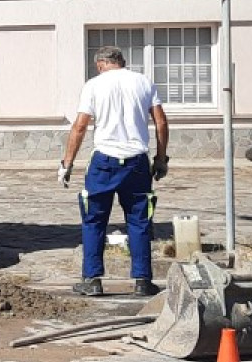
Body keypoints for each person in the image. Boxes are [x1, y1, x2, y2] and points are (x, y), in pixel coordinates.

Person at [59, 46, 170, 298]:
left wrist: (67, 163)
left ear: (100, 64)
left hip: (104, 163)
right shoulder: (143, 82)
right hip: (136, 162)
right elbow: (161, 122)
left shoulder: (93, 85)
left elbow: (80, 126)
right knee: (139, 221)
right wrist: (161, 159)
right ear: (123, 62)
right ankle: (143, 281)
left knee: (94, 220)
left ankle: (92, 280)